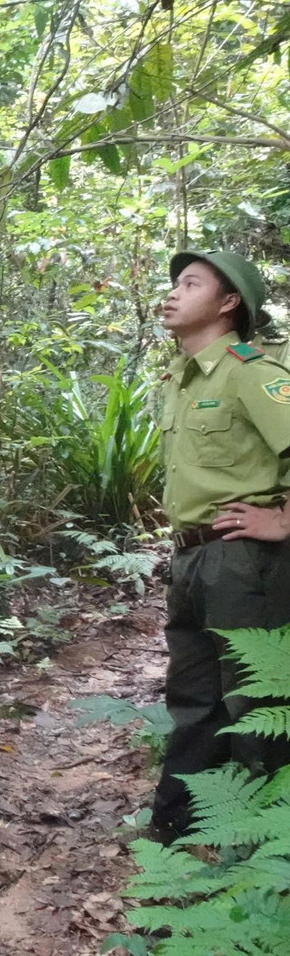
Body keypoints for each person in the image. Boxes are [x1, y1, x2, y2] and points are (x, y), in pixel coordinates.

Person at [150, 249, 290, 844]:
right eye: (174, 283)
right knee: (193, 699)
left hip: (242, 560)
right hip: (191, 559)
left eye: (191, 284)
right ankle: (178, 830)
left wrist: (282, 520)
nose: (172, 293)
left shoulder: (251, 372)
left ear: (229, 302)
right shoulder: (183, 380)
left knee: (255, 702)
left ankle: (262, 849)